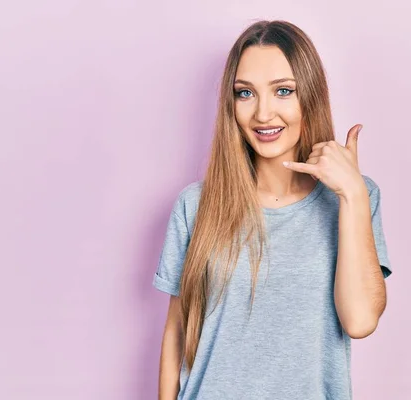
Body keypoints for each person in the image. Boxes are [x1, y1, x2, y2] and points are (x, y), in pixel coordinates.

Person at [152, 20, 392, 400]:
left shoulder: (355, 199)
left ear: (309, 97)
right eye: (245, 93)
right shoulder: (194, 205)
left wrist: (352, 194)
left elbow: (360, 320)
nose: (263, 114)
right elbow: (177, 330)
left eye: (283, 91)